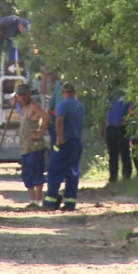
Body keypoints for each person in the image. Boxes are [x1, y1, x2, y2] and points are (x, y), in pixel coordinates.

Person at [43, 82, 85, 211]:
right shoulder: (80, 106)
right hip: (77, 143)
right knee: (72, 173)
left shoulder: (63, 104)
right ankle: (70, 203)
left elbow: (59, 120)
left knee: (55, 172)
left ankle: (50, 202)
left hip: (65, 143)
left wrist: (59, 138)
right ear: (75, 93)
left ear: (63, 93)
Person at [14, 84, 51, 206]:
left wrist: (39, 134)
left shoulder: (34, 107)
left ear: (29, 94)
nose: (23, 97)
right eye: (20, 95)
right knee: (27, 174)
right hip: (25, 147)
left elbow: (47, 118)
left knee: (36, 173)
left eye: (25, 94)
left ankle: (38, 199)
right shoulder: (23, 107)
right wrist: (16, 101)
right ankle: (32, 200)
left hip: (35, 147)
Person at [104, 94, 132, 182]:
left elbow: (131, 108)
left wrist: (126, 120)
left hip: (121, 126)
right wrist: (101, 126)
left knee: (124, 152)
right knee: (112, 153)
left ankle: (126, 175)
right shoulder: (108, 95)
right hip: (110, 126)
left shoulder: (125, 94)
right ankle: (113, 177)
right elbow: (104, 110)